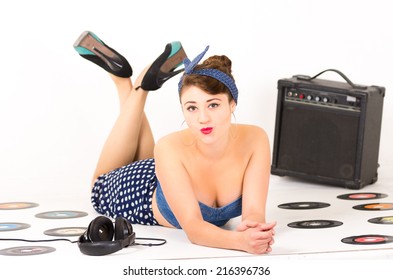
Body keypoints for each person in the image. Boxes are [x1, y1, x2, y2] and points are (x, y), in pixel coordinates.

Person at [73, 31, 276, 254]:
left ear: (232, 103)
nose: (203, 118)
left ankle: (130, 85)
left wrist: (254, 228)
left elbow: (254, 211)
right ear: (183, 109)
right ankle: (132, 86)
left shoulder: (256, 139)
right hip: (137, 189)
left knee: (149, 155)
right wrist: (241, 242)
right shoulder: (168, 147)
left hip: (170, 174)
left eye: (213, 105)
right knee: (98, 185)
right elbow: (195, 229)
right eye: (192, 107)